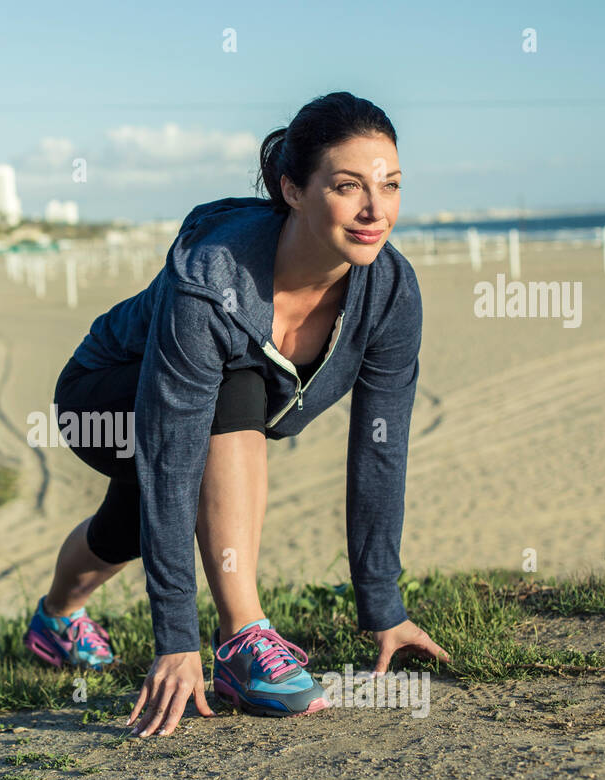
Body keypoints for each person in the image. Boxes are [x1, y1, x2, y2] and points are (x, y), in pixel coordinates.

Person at [22, 91, 450, 737]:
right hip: (103, 396)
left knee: (131, 525)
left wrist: (383, 608)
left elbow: (379, 448)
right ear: (294, 190)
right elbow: (171, 459)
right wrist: (176, 641)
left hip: (208, 420)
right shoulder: (211, 282)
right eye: (347, 186)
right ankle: (245, 641)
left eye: (390, 186)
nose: (375, 209)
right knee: (233, 387)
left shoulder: (390, 291)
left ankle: (56, 620)